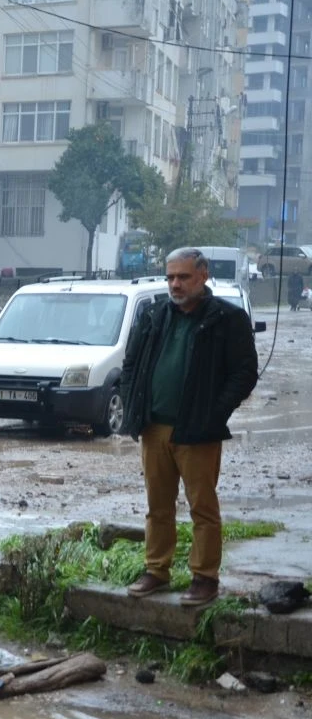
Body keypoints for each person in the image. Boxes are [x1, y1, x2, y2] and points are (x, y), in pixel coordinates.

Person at [118, 247, 259, 606]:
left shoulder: (227, 319)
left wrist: (215, 413)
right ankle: (156, 570)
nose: (175, 284)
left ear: (203, 275)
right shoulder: (153, 316)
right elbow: (131, 365)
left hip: (198, 430)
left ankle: (204, 578)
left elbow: (244, 373)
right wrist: (134, 406)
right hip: (154, 428)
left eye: (183, 277)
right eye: (170, 277)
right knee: (158, 506)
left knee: (203, 508)